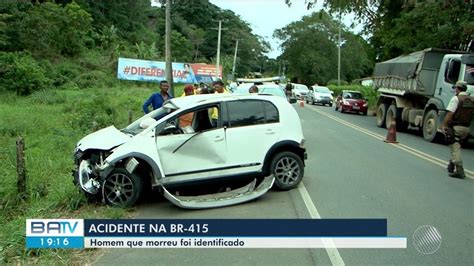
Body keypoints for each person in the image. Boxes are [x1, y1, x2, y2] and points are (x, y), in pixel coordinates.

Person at [441, 80, 473, 179]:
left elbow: (450, 113)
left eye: (456, 88)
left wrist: (444, 125)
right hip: (467, 128)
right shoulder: (472, 99)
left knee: (454, 147)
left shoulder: (456, 99)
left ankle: (459, 170)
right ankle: (451, 165)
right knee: (457, 146)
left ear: (458, 89)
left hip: (456, 127)